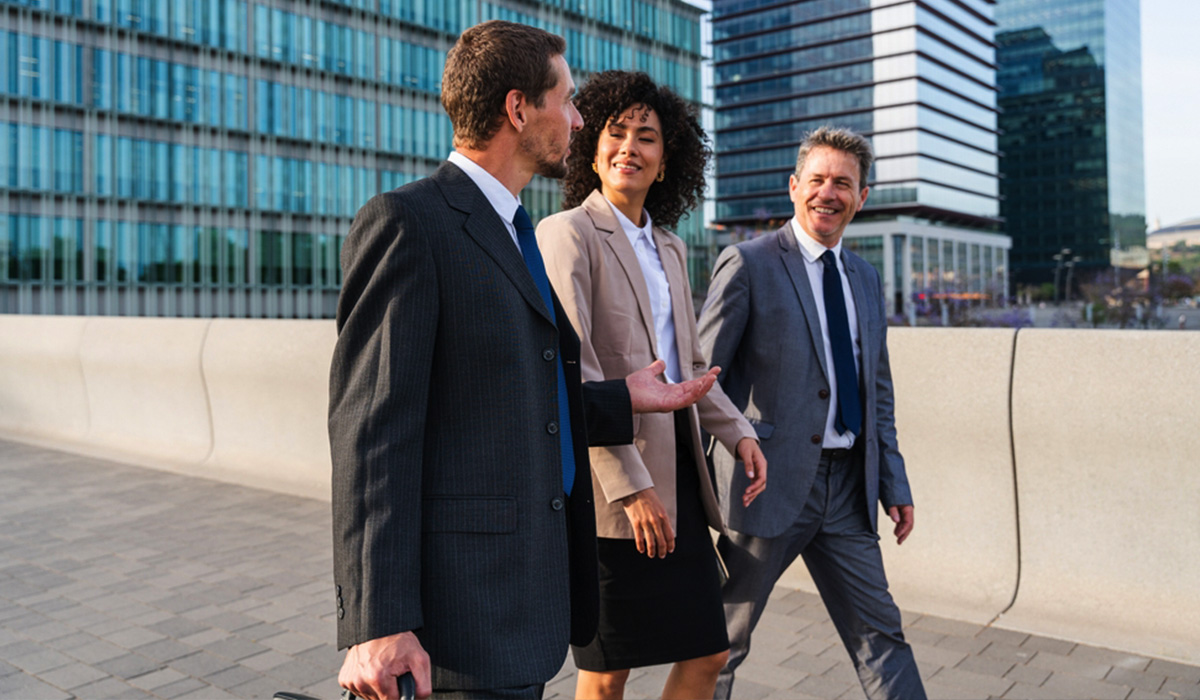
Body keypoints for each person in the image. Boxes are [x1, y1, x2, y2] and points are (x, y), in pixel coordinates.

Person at [328, 21, 721, 700]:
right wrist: (379, 621)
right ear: (518, 109)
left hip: (521, 602)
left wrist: (623, 399)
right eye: (566, 102)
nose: (576, 120)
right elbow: (372, 434)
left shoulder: (513, 232)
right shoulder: (408, 223)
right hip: (457, 617)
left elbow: (512, 395)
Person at [536, 71, 767, 700]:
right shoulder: (567, 235)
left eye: (647, 137)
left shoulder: (668, 248)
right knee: (607, 673)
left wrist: (739, 431)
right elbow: (571, 375)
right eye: (616, 133)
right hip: (616, 493)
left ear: (667, 162)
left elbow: (689, 365)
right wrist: (630, 489)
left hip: (683, 484)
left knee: (709, 652)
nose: (630, 147)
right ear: (592, 147)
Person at [697, 126, 927, 700]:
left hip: (848, 489)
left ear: (862, 197)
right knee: (720, 645)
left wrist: (893, 482)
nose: (829, 193)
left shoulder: (866, 278)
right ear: (795, 187)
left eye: (843, 183)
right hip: (763, 484)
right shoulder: (747, 263)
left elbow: (878, 390)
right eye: (818, 180)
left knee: (883, 634)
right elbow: (702, 383)